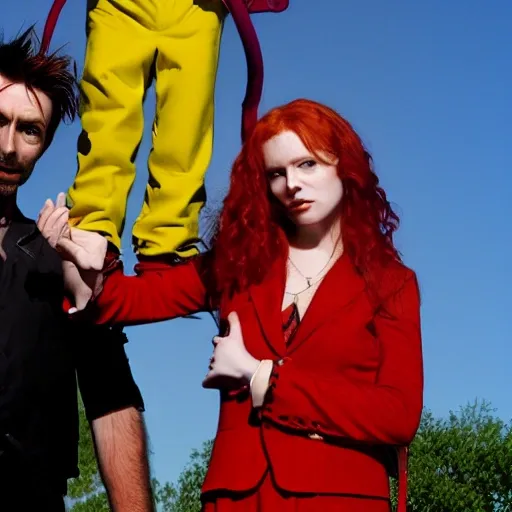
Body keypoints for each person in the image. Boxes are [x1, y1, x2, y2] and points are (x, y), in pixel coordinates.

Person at [41, 98, 424, 511]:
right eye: (276, 173)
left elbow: (398, 415)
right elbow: (126, 303)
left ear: (343, 165)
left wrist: (263, 377)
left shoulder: (391, 283)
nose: (291, 184)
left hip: (342, 497)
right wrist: (81, 263)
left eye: (307, 164)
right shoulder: (240, 264)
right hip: (237, 498)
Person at [0, 29, 154, 511]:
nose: (9, 146)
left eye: (29, 130)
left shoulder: (58, 259)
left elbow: (112, 399)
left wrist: (93, 292)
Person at [66, 0, 227, 261]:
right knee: (107, 121)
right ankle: (90, 233)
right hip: (118, 6)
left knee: (185, 125)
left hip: (199, 7)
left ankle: (168, 250)